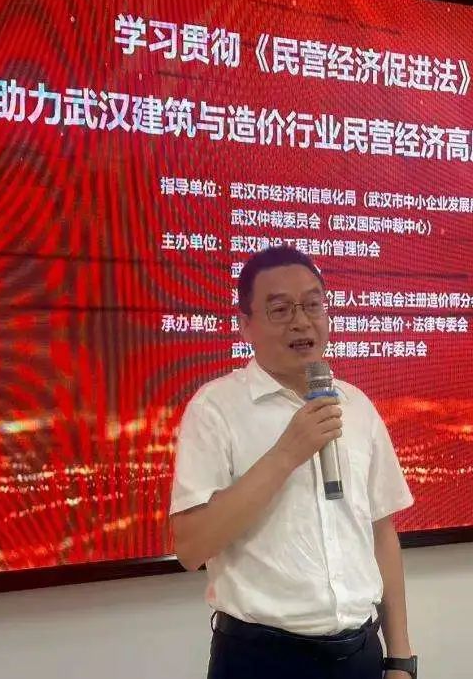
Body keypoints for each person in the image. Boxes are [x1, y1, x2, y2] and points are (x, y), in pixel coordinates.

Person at [169, 246, 418, 679]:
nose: (301, 322)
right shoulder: (215, 409)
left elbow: (380, 533)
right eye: (280, 309)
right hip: (261, 660)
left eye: (313, 305)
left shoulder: (356, 406)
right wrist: (286, 454)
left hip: (359, 654)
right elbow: (191, 548)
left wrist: (400, 657)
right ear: (245, 325)